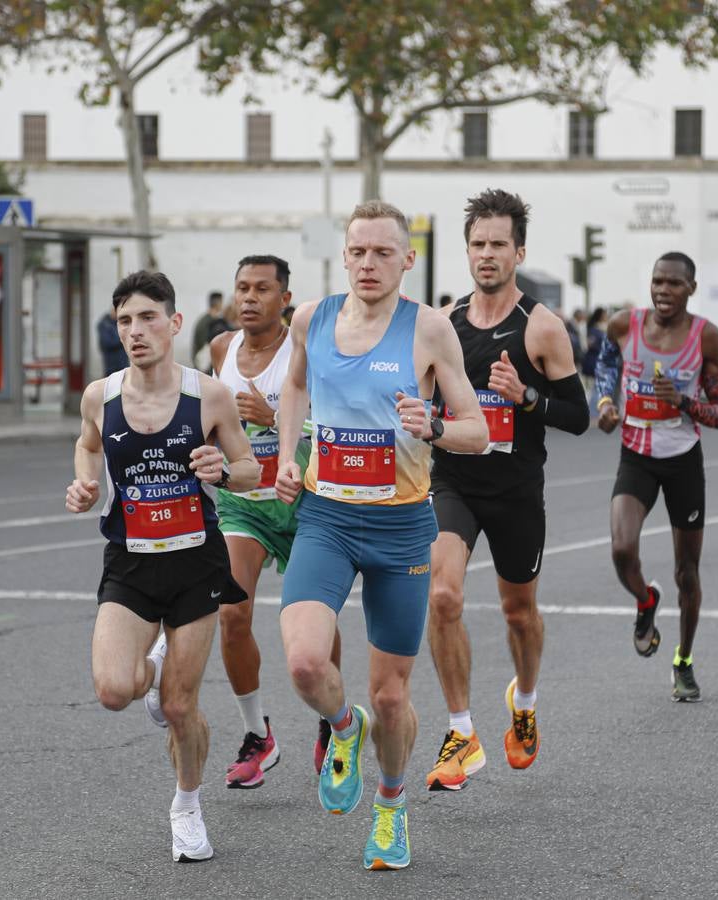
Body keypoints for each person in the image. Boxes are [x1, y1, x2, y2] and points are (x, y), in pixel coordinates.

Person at [274, 200, 488, 871]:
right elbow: (294, 389)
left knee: (392, 696)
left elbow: (477, 433)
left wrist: (432, 427)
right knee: (307, 663)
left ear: (407, 259)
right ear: (345, 254)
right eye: (359, 252)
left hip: (400, 528)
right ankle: (344, 728)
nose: (369, 264)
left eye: (383, 253)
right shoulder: (312, 318)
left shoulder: (428, 331)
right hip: (327, 519)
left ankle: (391, 806)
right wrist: (288, 456)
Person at [65, 270, 260, 864]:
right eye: (125, 320)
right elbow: (88, 443)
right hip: (131, 563)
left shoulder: (210, 397)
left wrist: (221, 472)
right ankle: (152, 664)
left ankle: (187, 806)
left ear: (174, 323)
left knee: (180, 706)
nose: (135, 331)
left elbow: (251, 468)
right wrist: (85, 483)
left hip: (196, 563)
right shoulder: (100, 394)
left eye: (148, 318)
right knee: (112, 690)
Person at [424, 190, 588, 793]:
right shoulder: (442, 324)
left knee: (520, 612)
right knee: (443, 596)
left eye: (498, 244)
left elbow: (577, 414)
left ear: (519, 251)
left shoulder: (542, 328)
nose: (486, 255)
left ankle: (525, 700)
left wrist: (526, 397)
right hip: (455, 482)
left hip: (517, 489)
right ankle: (462, 732)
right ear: (466, 250)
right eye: (477, 244)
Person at [207, 254, 343, 788]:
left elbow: (339, 418)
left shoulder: (304, 349)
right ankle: (257, 733)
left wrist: (277, 418)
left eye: (262, 289)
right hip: (244, 503)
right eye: (242, 287)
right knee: (231, 614)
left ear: (285, 299)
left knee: (316, 625)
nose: (248, 298)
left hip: (308, 498)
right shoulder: (221, 349)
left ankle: (332, 721)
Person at [594, 253, 718, 702]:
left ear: (691, 288)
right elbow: (605, 367)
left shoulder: (707, 337)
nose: (663, 291)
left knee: (686, 573)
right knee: (620, 549)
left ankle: (684, 661)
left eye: (674, 284)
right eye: (657, 282)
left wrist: (684, 403)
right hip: (636, 454)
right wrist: (606, 405)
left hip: (682, 460)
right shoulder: (624, 325)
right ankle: (644, 601)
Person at [191, 291, 228, 368]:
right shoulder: (209, 323)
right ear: (218, 303)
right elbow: (205, 347)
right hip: (204, 368)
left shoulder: (205, 320)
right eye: (222, 302)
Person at [582, 307, 608, 410]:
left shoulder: (604, 327)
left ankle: (593, 409)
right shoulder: (594, 329)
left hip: (601, 361)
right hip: (593, 361)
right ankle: (590, 409)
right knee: (592, 387)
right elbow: (590, 344)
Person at [96, 308, 128, 375]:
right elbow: (107, 343)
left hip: (123, 363)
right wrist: (122, 338)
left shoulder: (119, 323)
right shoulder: (104, 324)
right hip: (111, 365)